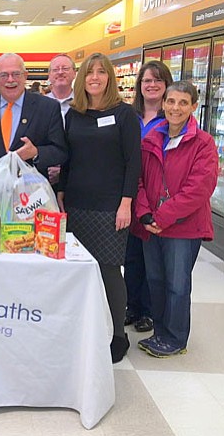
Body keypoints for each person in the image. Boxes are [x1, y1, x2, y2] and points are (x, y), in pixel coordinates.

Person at [57, 52, 141, 364]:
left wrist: (126, 203)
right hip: (78, 204)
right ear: (82, 78)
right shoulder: (74, 115)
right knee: (80, 269)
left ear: (109, 78)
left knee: (108, 270)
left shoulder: (124, 115)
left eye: (101, 72)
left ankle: (118, 335)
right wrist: (62, 191)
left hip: (110, 206)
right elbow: (69, 157)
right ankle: (86, 328)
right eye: (89, 72)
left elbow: (134, 162)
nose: (95, 77)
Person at [135, 80, 218, 358]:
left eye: (183, 103)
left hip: (184, 228)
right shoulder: (151, 138)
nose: (176, 108)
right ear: (163, 104)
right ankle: (160, 333)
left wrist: (162, 216)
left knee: (177, 285)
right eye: (171, 101)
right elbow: (139, 180)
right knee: (156, 281)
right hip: (152, 224)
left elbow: (199, 189)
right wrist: (145, 212)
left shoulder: (203, 144)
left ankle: (175, 338)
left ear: (194, 106)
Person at [125, 61, 174, 334]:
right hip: (131, 195)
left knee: (152, 260)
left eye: (157, 80)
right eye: (146, 80)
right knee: (131, 255)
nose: (151, 85)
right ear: (139, 85)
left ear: (166, 84)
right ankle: (131, 305)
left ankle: (149, 311)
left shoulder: (171, 118)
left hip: (157, 198)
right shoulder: (129, 116)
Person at [0, 53, 67, 179]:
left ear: (25, 76)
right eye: (4, 75)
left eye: (16, 74)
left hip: (30, 191)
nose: (10, 80)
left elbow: (60, 152)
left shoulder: (47, 108)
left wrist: (36, 153)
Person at [45, 54, 77, 186]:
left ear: (74, 73)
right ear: (49, 75)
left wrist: (63, 171)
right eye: (55, 69)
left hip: (76, 176)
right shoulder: (39, 106)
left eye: (65, 68)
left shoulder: (85, 104)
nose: (60, 72)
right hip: (46, 178)